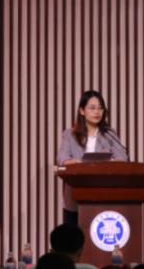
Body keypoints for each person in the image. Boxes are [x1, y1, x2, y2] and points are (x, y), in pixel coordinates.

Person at [56, 90, 129, 225]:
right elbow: (62, 159)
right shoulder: (70, 134)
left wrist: (108, 163)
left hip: (104, 194)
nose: (97, 112)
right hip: (75, 196)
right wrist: (80, 164)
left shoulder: (109, 134)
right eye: (92, 108)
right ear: (82, 111)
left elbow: (122, 158)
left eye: (100, 108)